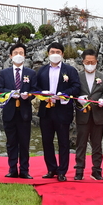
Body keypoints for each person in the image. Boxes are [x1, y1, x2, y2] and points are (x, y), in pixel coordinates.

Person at [35, 42, 81, 181]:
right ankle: (51, 169)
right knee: (47, 141)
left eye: (58, 52)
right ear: (48, 53)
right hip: (46, 111)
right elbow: (35, 87)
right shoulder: (41, 70)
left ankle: (62, 171)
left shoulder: (70, 70)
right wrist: (43, 93)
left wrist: (64, 93)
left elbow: (76, 87)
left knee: (63, 142)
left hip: (62, 110)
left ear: (62, 54)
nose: (55, 54)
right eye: (52, 52)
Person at [0, 42, 37, 179]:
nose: (18, 56)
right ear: (10, 56)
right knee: (11, 142)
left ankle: (24, 170)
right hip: (9, 112)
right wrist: (10, 93)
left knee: (24, 143)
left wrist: (29, 95)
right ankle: (12, 169)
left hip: (24, 112)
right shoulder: (4, 73)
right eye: (15, 53)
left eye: (21, 53)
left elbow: (35, 90)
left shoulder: (30, 73)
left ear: (25, 56)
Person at [73, 49, 103, 180]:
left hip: (97, 116)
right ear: (83, 62)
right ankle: (79, 170)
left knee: (97, 144)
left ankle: (97, 170)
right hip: (82, 115)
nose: (90, 64)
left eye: (92, 62)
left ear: (97, 62)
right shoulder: (77, 76)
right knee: (81, 143)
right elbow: (73, 93)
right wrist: (78, 99)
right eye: (87, 62)